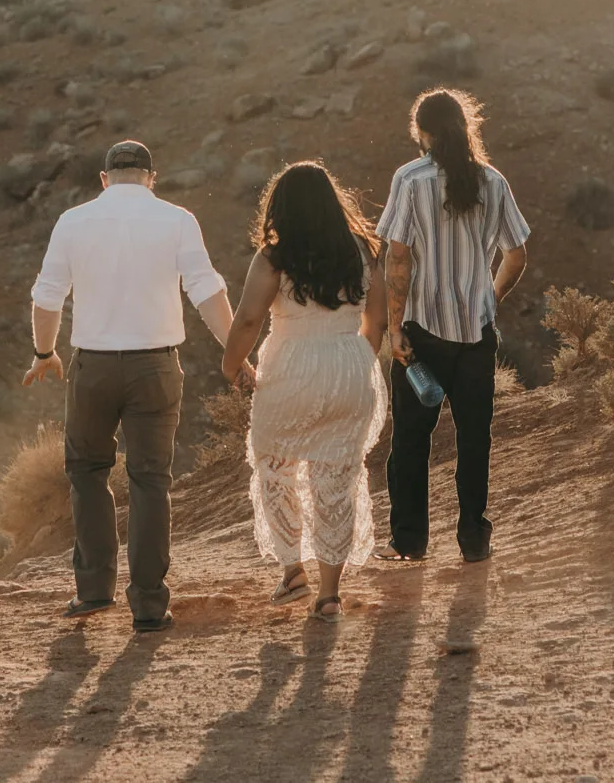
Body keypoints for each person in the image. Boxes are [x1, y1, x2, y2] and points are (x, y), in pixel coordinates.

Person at [25, 138, 233, 632]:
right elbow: (205, 287)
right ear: (151, 178)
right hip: (155, 367)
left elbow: (48, 296)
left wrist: (44, 352)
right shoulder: (177, 219)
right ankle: (149, 605)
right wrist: (237, 351)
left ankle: (94, 591)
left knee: (87, 473)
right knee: (150, 480)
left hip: (93, 368)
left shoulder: (73, 221)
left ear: (104, 179)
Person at [219, 161, 388, 619]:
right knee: (337, 479)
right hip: (349, 363)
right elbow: (377, 320)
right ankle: (329, 595)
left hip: (291, 367)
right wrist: (358, 361)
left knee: (276, 466)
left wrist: (232, 366)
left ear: (281, 207)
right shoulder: (363, 250)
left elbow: (248, 319)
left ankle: (293, 571)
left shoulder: (275, 257)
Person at [375, 88, 530, 565]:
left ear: (421, 132)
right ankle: (474, 540)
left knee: (410, 440)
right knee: (474, 439)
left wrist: (394, 329)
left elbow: (398, 258)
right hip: (476, 334)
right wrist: (490, 297)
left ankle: (409, 542)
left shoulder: (410, 179)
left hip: (422, 330)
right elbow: (516, 254)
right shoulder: (493, 181)